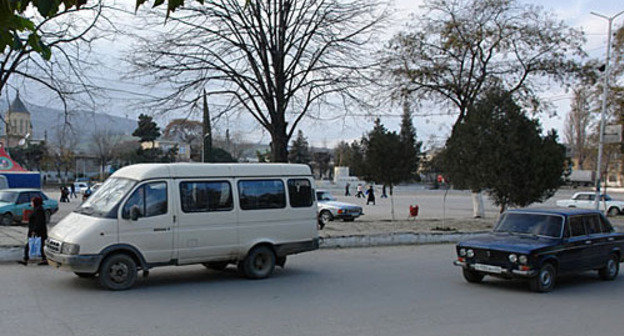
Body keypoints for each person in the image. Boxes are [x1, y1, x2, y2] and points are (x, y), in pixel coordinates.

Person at [18, 197, 48, 266]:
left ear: (35, 202)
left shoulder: (39, 210)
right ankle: (27, 259)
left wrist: (34, 230)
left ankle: (26, 259)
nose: (31, 203)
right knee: (39, 244)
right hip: (37, 230)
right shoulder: (37, 209)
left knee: (33, 244)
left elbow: (39, 222)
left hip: (38, 231)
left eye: (32, 202)